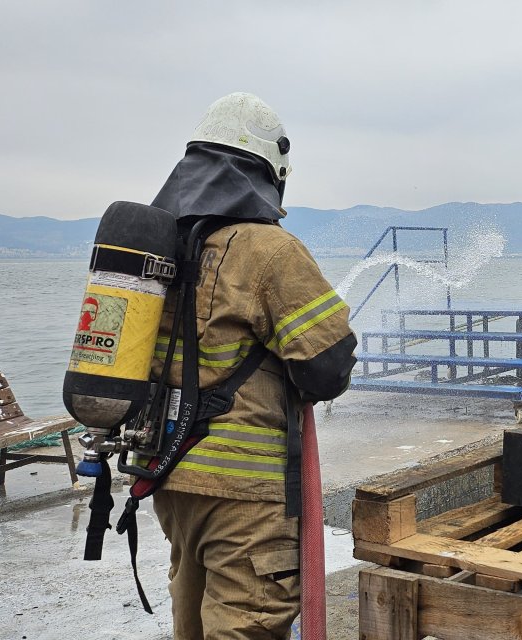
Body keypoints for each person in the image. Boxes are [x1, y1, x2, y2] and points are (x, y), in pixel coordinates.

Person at [146, 92, 357, 639]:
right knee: (247, 624)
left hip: (172, 478)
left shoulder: (160, 247)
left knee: (191, 623)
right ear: (269, 172)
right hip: (245, 496)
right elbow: (329, 366)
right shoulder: (269, 251)